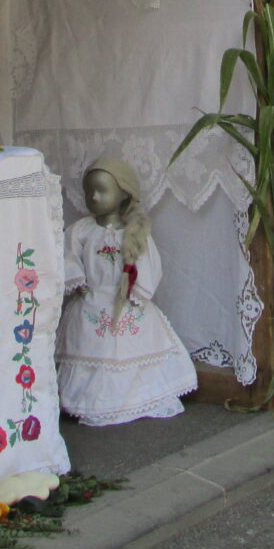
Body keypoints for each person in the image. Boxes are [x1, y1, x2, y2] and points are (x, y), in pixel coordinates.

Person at [57, 157, 196, 425]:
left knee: (131, 349)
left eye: (102, 190)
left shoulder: (135, 232)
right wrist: (77, 278)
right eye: (89, 191)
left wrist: (138, 291)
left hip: (128, 302)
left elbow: (149, 265)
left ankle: (135, 398)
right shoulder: (81, 231)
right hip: (91, 302)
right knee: (92, 349)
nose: (94, 197)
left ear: (123, 193)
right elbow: (68, 256)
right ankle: (90, 401)